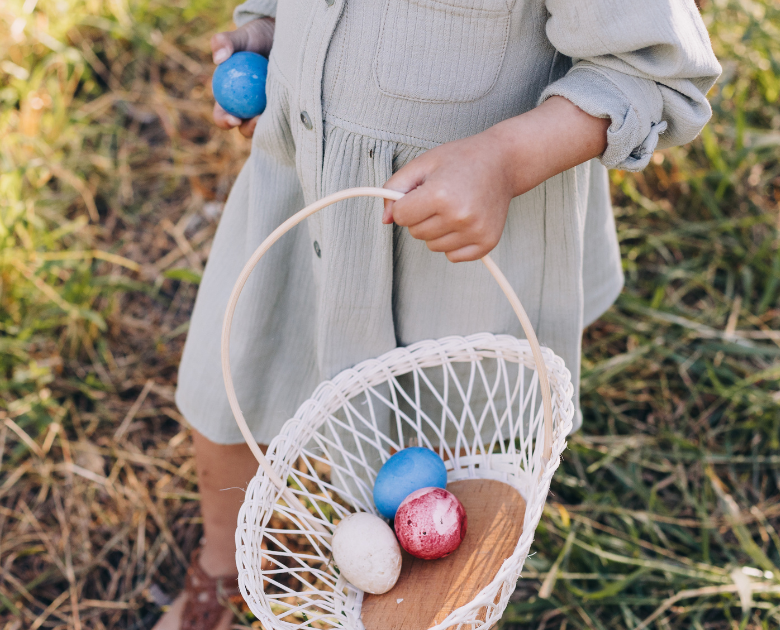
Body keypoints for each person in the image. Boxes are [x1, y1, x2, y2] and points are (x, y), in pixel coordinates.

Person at [153, 1, 720, 628]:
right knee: (231, 387)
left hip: (454, 243)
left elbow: (656, 71)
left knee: (441, 458)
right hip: (303, 193)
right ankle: (223, 564)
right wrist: (271, 27)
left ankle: (418, 602)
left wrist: (505, 160)